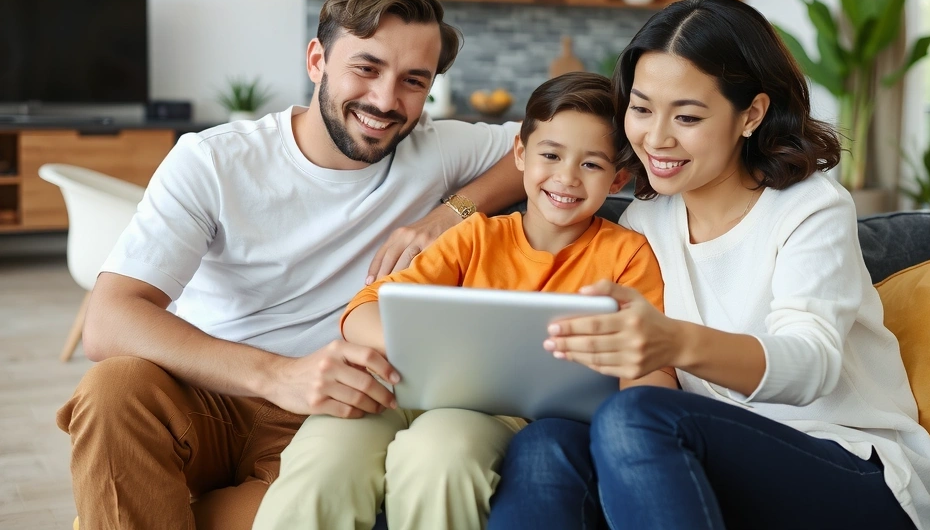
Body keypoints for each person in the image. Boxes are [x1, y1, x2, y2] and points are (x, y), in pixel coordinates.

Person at [55, 0, 527, 530]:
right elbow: (108, 321)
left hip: (319, 427)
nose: (385, 99)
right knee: (114, 389)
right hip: (205, 396)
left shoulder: (438, 149)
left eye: (413, 81)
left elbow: (557, 142)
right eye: (366, 68)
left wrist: (453, 211)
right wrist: (277, 375)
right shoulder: (214, 160)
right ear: (316, 61)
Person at [488, 0, 930, 530]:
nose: (655, 138)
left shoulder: (810, 208)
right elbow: (528, 142)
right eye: (640, 108)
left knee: (634, 418)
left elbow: (812, 364)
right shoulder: (646, 221)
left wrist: (673, 341)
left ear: (750, 114)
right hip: (709, 457)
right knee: (546, 441)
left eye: (687, 116)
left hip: (852, 468)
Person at [253, 72, 678, 530]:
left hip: (502, 413)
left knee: (441, 455)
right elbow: (362, 309)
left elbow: (651, 363)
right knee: (328, 452)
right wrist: (426, 350)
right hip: (407, 387)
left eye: (591, 165)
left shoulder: (627, 254)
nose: (566, 177)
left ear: (618, 179)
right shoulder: (476, 235)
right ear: (520, 153)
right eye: (550, 155)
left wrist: (636, 423)